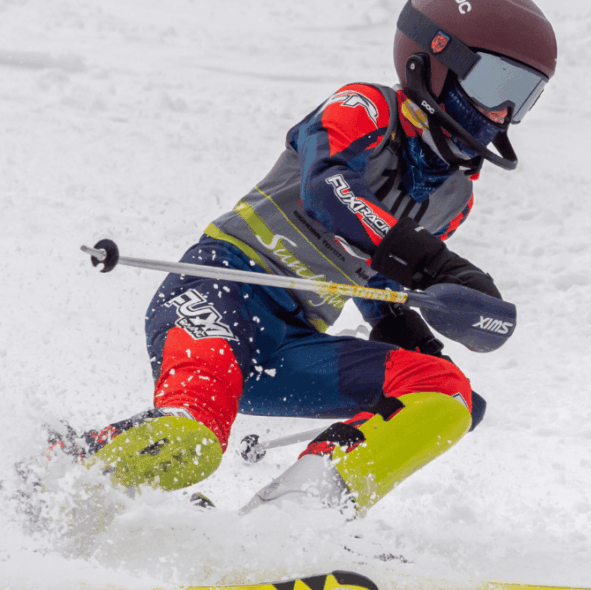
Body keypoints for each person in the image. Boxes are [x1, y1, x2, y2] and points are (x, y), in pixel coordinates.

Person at [51, 0, 558, 516]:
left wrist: (422, 348)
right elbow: (328, 190)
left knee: (447, 395)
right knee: (193, 441)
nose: (503, 112)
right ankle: (49, 481)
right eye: (496, 83)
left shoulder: (454, 195)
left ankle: (291, 518)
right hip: (218, 294)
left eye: (523, 96)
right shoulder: (365, 107)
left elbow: (378, 279)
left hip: (292, 344)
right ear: (435, 62)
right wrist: (436, 265)